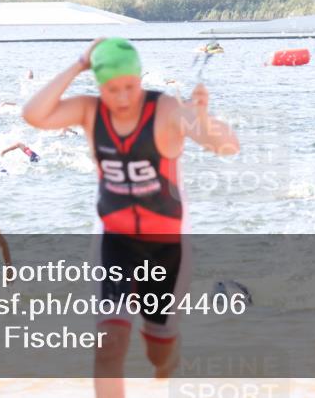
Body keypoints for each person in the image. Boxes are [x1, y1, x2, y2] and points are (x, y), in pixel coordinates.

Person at [22, 37, 239, 398]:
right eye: (111, 89)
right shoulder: (90, 111)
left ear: (140, 79)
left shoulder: (165, 109)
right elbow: (33, 114)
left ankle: (166, 359)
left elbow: (227, 145)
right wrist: (79, 63)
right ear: (98, 86)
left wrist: (203, 119)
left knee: (159, 350)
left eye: (129, 87)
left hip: (166, 250)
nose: (122, 98)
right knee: (109, 343)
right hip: (114, 243)